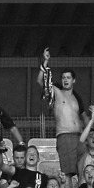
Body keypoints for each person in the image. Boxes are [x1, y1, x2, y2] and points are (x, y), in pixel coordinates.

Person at [37, 48, 87, 178]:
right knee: (68, 174)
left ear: (73, 80)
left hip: (80, 137)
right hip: (65, 136)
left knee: (83, 172)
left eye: (68, 78)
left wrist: (90, 133)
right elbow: (40, 82)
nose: (65, 80)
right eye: (63, 77)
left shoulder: (77, 98)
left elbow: (84, 117)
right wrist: (45, 62)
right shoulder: (57, 92)